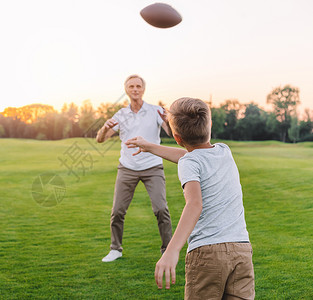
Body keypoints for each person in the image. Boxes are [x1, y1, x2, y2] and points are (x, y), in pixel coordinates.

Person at [126, 97, 255, 299]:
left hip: (207, 253)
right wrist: (150, 146)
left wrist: (171, 250)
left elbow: (194, 204)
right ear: (210, 124)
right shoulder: (224, 151)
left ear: (177, 138)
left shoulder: (190, 162)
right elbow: (189, 157)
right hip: (242, 250)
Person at [96, 74, 173, 262]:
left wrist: (169, 120)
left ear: (143, 89)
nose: (135, 89)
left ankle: (168, 250)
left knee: (161, 209)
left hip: (153, 166)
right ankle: (116, 249)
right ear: (126, 90)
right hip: (127, 168)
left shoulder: (156, 111)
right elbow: (100, 139)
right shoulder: (120, 115)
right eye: (131, 86)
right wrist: (105, 128)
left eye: (138, 86)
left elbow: (172, 133)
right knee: (117, 211)